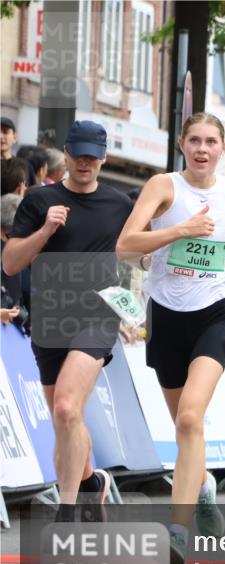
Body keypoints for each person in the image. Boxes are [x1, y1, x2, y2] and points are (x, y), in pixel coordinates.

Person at [116, 112, 225, 564]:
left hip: (216, 314)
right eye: (195, 141)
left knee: (190, 419)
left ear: (223, 148)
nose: (203, 149)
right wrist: (179, 230)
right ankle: (202, 484)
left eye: (211, 142)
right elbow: (126, 245)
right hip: (165, 316)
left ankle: (177, 533)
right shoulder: (163, 187)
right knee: (185, 432)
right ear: (182, 144)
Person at [2, 120, 131, 522]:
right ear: (68, 153)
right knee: (67, 420)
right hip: (50, 319)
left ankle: (69, 508)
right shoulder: (40, 201)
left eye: (93, 156)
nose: (85, 162)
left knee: (65, 408)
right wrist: (46, 229)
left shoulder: (119, 205)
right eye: (78, 154)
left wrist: (134, 305)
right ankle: (92, 481)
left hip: (96, 317)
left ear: (104, 157)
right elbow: (10, 263)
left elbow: (139, 253)